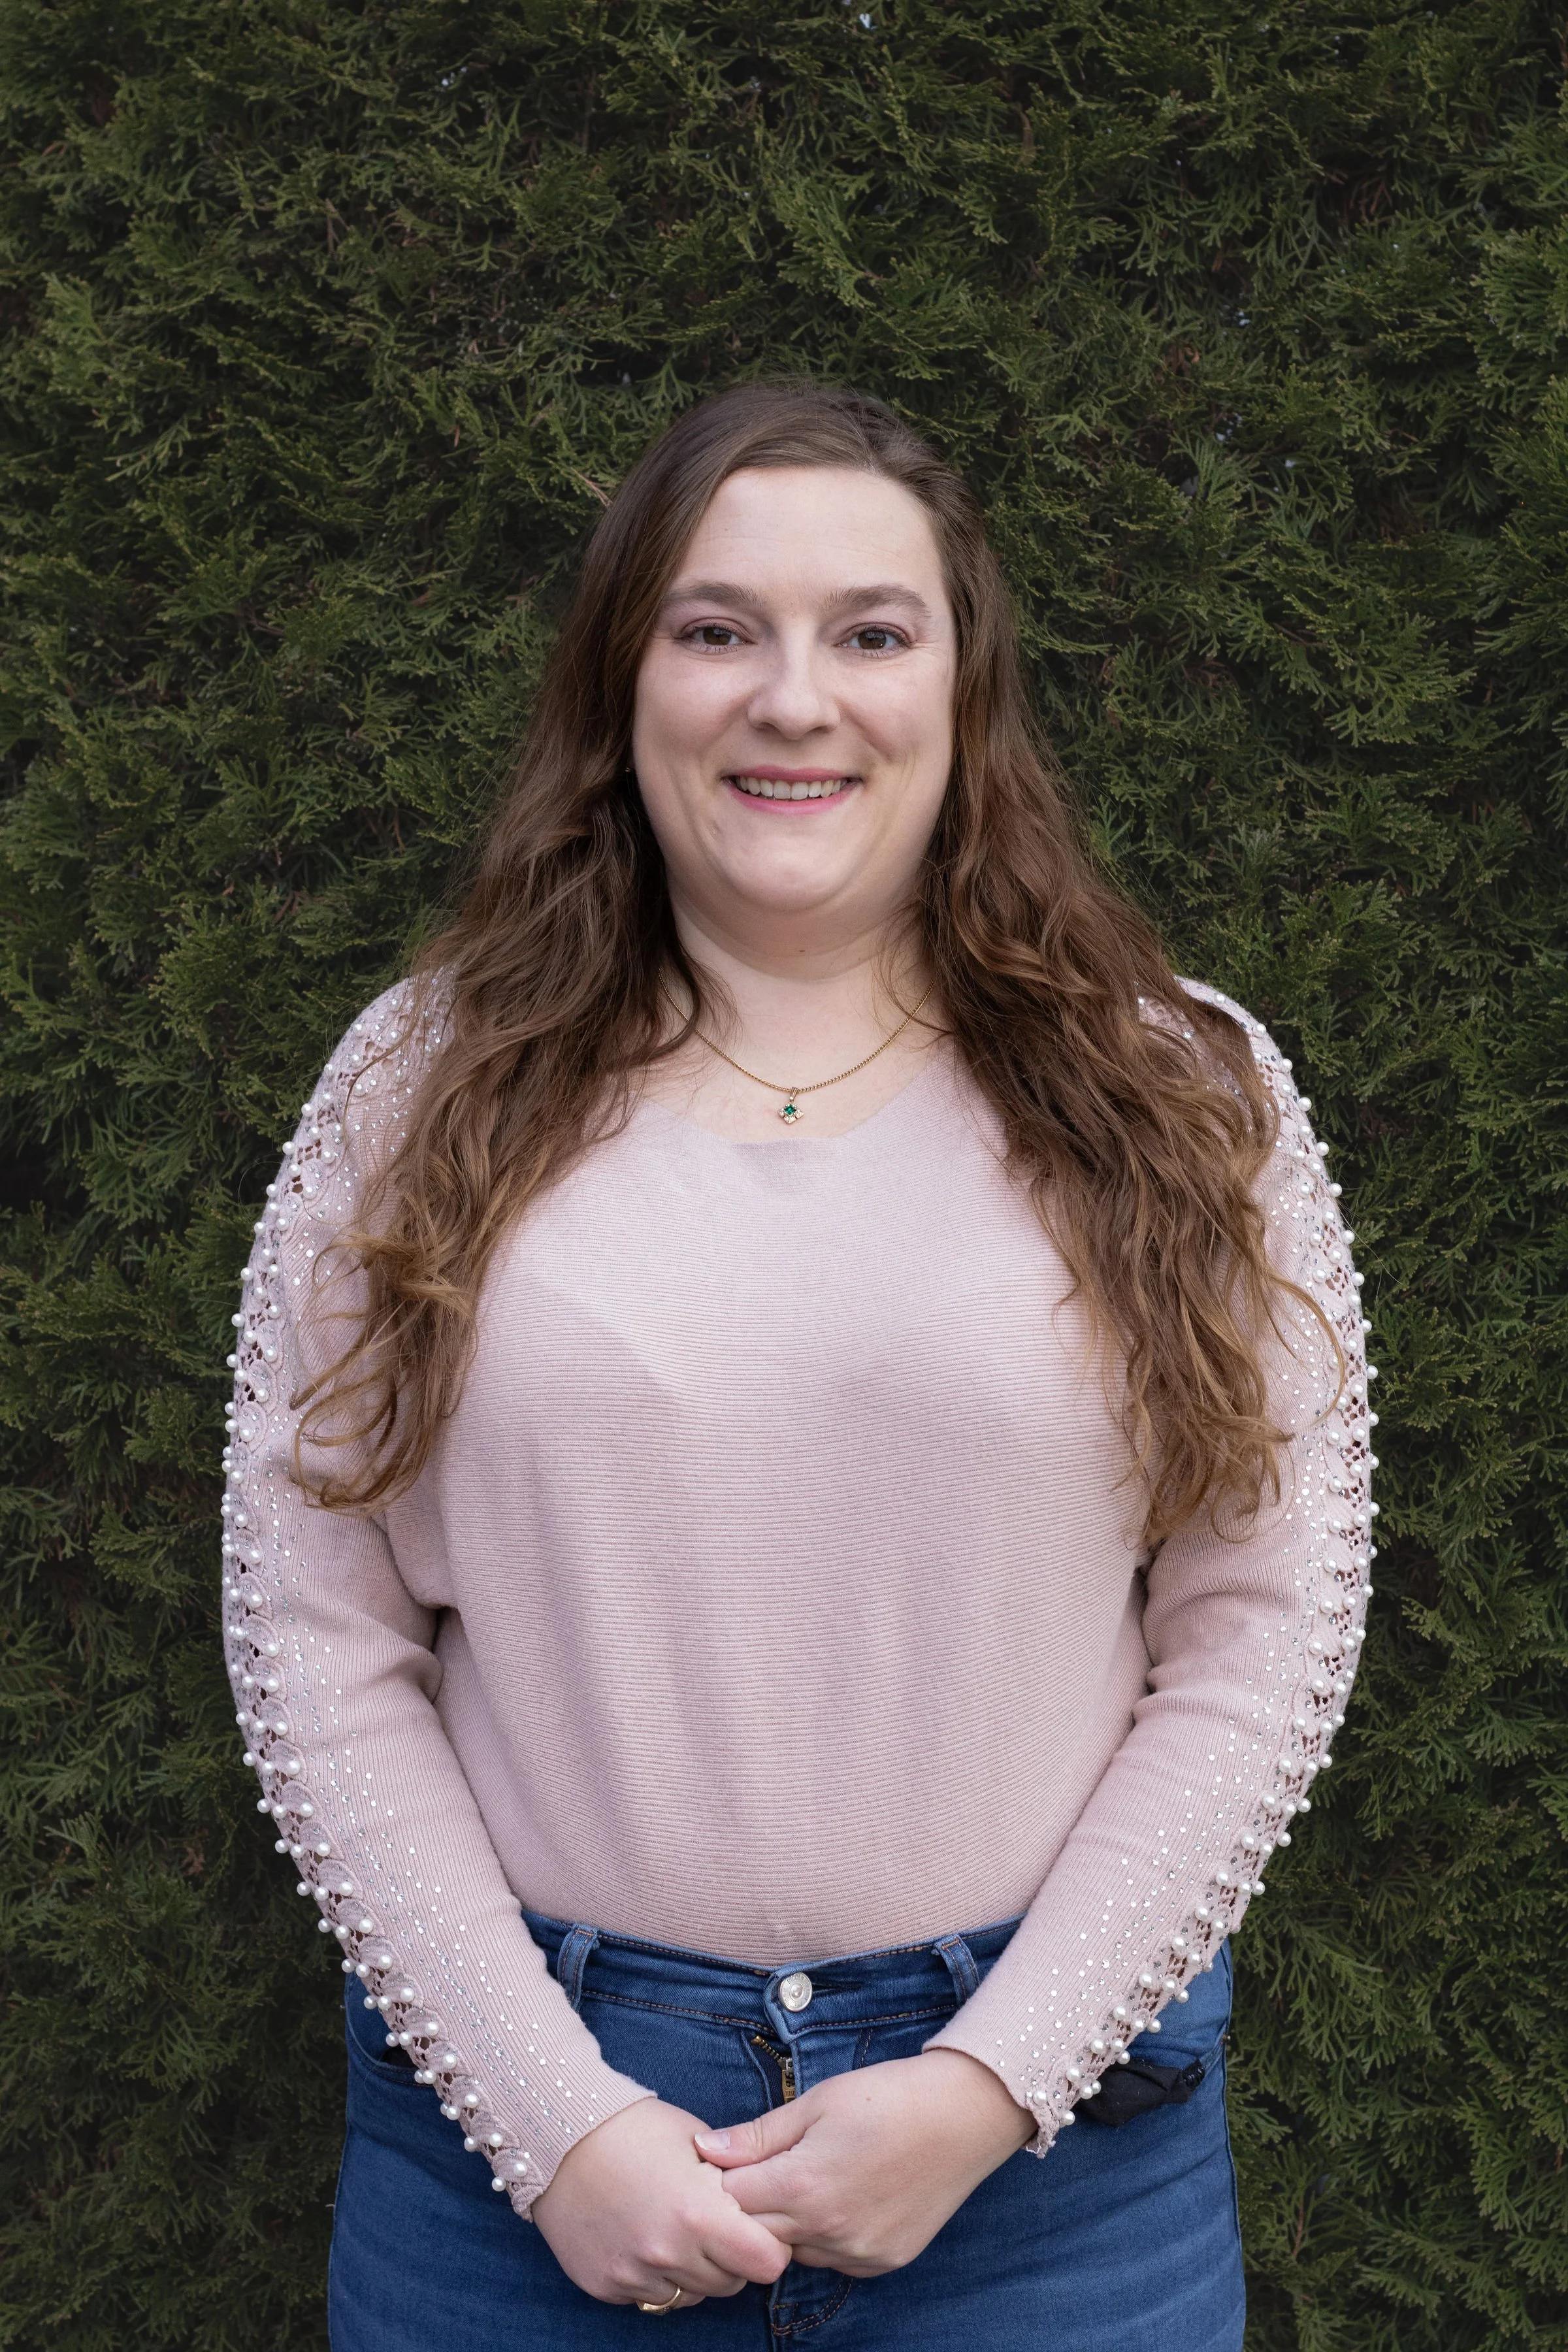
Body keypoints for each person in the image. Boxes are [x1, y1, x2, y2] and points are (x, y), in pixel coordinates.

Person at [220, 381, 1373, 2351]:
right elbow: (312, 1633)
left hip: (1057, 2170)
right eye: (716, 627)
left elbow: (1267, 1628)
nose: (793, 697)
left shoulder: (1183, 1089)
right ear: (625, 681)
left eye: (870, 631)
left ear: (962, 688)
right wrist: (550, 2117)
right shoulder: (417, 1085)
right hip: (523, 2163)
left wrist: (989, 2084)